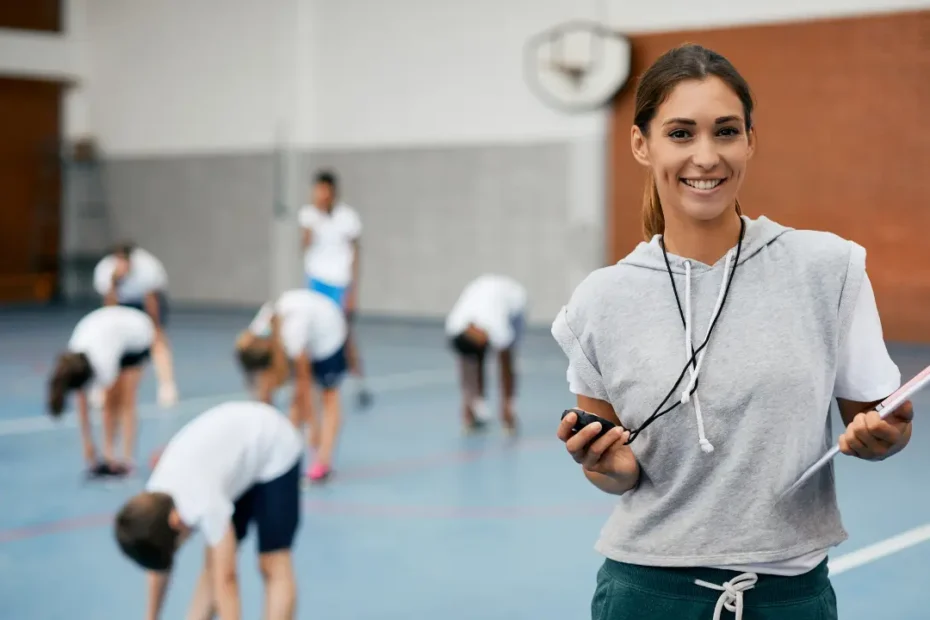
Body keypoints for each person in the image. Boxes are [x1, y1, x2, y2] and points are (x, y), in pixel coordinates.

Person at [550, 43, 914, 620]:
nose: (705, 156)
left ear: (750, 140)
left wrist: (885, 435)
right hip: (644, 597)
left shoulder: (829, 269)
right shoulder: (600, 300)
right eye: (680, 133)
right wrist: (604, 464)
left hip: (789, 597)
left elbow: (881, 422)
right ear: (641, 144)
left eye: (725, 131)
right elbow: (617, 471)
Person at [113, 400, 302, 620]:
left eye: (176, 545)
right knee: (212, 562)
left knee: (272, 561)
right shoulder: (153, 503)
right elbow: (159, 565)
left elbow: (227, 582)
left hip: (274, 446)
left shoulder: (203, 501)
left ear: (176, 521)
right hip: (235, 463)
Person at [235, 288, 348, 482]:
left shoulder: (293, 337)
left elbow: (303, 388)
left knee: (328, 396)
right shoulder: (255, 336)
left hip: (328, 332)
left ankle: (323, 462)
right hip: (302, 323)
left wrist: (313, 429)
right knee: (290, 403)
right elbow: (263, 393)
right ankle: (279, 453)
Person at [47, 305, 155, 477]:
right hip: (111, 330)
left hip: (137, 333)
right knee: (112, 402)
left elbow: (110, 405)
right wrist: (87, 444)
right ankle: (110, 454)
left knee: (125, 399)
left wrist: (102, 452)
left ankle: (127, 458)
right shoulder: (74, 357)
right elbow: (81, 402)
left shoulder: (104, 362)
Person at [297, 170, 372, 409]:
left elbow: (355, 253)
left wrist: (352, 291)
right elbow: (305, 245)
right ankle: (310, 384)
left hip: (339, 283)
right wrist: (313, 221)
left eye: (323, 189)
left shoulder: (348, 217)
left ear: (332, 191)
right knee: (311, 334)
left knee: (345, 335)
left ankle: (359, 383)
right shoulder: (309, 215)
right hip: (316, 282)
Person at [93, 242, 178, 407]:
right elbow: (109, 306)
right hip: (122, 304)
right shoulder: (104, 270)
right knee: (110, 344)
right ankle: (102, 388)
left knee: (157, 341)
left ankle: (167, 385)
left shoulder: (147, 268)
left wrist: (155, 327)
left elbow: (151, 301)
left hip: (144, 302)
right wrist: (114, 282)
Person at [445, 274, 527, 434]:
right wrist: (468, 403)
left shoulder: (498, 326)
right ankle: (476, 406)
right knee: (472, 362)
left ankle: (507, 410)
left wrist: (508, 407)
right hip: (480, 288)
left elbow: (507, 367)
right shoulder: (454, 326)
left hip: (514, 299)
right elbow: (465, 365)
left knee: (508, 354)